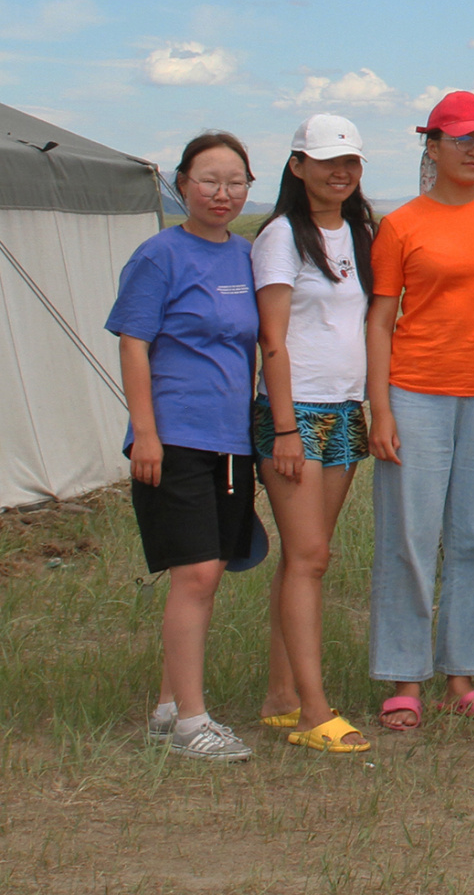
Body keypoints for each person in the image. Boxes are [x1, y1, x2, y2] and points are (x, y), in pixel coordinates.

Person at [367, 93, 474, 730]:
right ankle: (404, 676)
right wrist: (379, 407)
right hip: (415, 392)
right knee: (409, 538)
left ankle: (464, 674)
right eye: (462, 139)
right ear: (431, 145)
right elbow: (381, 318)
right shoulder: (401, 225)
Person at [109, 132, 263, 762]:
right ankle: (192, 724)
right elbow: (133, 342)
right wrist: (144, 432)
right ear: (181, 184)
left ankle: (169, 706)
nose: (222, 194)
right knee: (194, 572)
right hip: (172, 435)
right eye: (209, 180)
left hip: (231, 440)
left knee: (207, 574)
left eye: (235, 182)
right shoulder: (159, 256)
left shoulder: (248, 256)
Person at [252, 116, 376, 755]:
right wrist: (282, 429)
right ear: (297, 165)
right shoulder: (280, 237)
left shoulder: (359, 232)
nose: (340, 172)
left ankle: (282, 697)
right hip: (294, 415)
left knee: (306, 557)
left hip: (345, 409)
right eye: (327, 161)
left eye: (350, 161)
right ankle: (314, 711)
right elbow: (271, 337)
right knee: (310, 558)